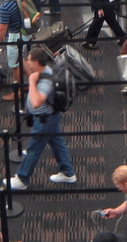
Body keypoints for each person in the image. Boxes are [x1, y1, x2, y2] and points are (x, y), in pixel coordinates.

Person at [6, 48, 78, 189]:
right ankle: (68, 173)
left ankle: (22, 179)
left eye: (29, 61)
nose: (27, 63)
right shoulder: (44, 72)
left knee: (34, 149)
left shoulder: (45, 81)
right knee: (57, 144)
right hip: (50, 117)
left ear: (37, 63)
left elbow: (36, 102)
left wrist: (32, 82)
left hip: (45, 119)